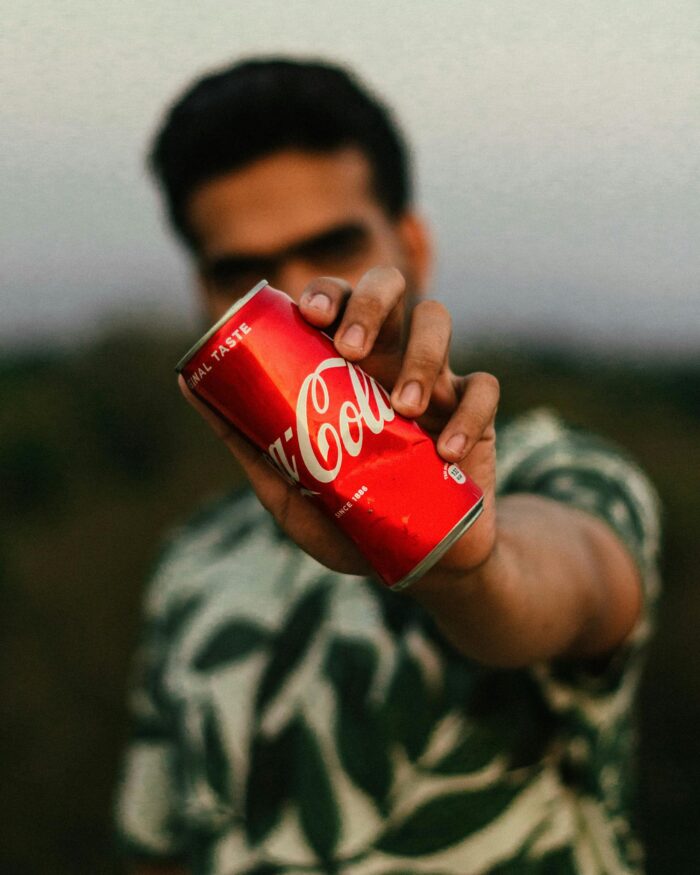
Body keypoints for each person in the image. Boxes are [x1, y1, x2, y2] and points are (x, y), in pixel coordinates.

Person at [115, 58, 661, 874]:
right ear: (207, 292)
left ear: (411, 245)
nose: (305, 298)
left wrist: (457, 555)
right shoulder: (193, 556)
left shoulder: (566, 470)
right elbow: (159, 842)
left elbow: (565, 580)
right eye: (249, 274)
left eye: (332, 245)